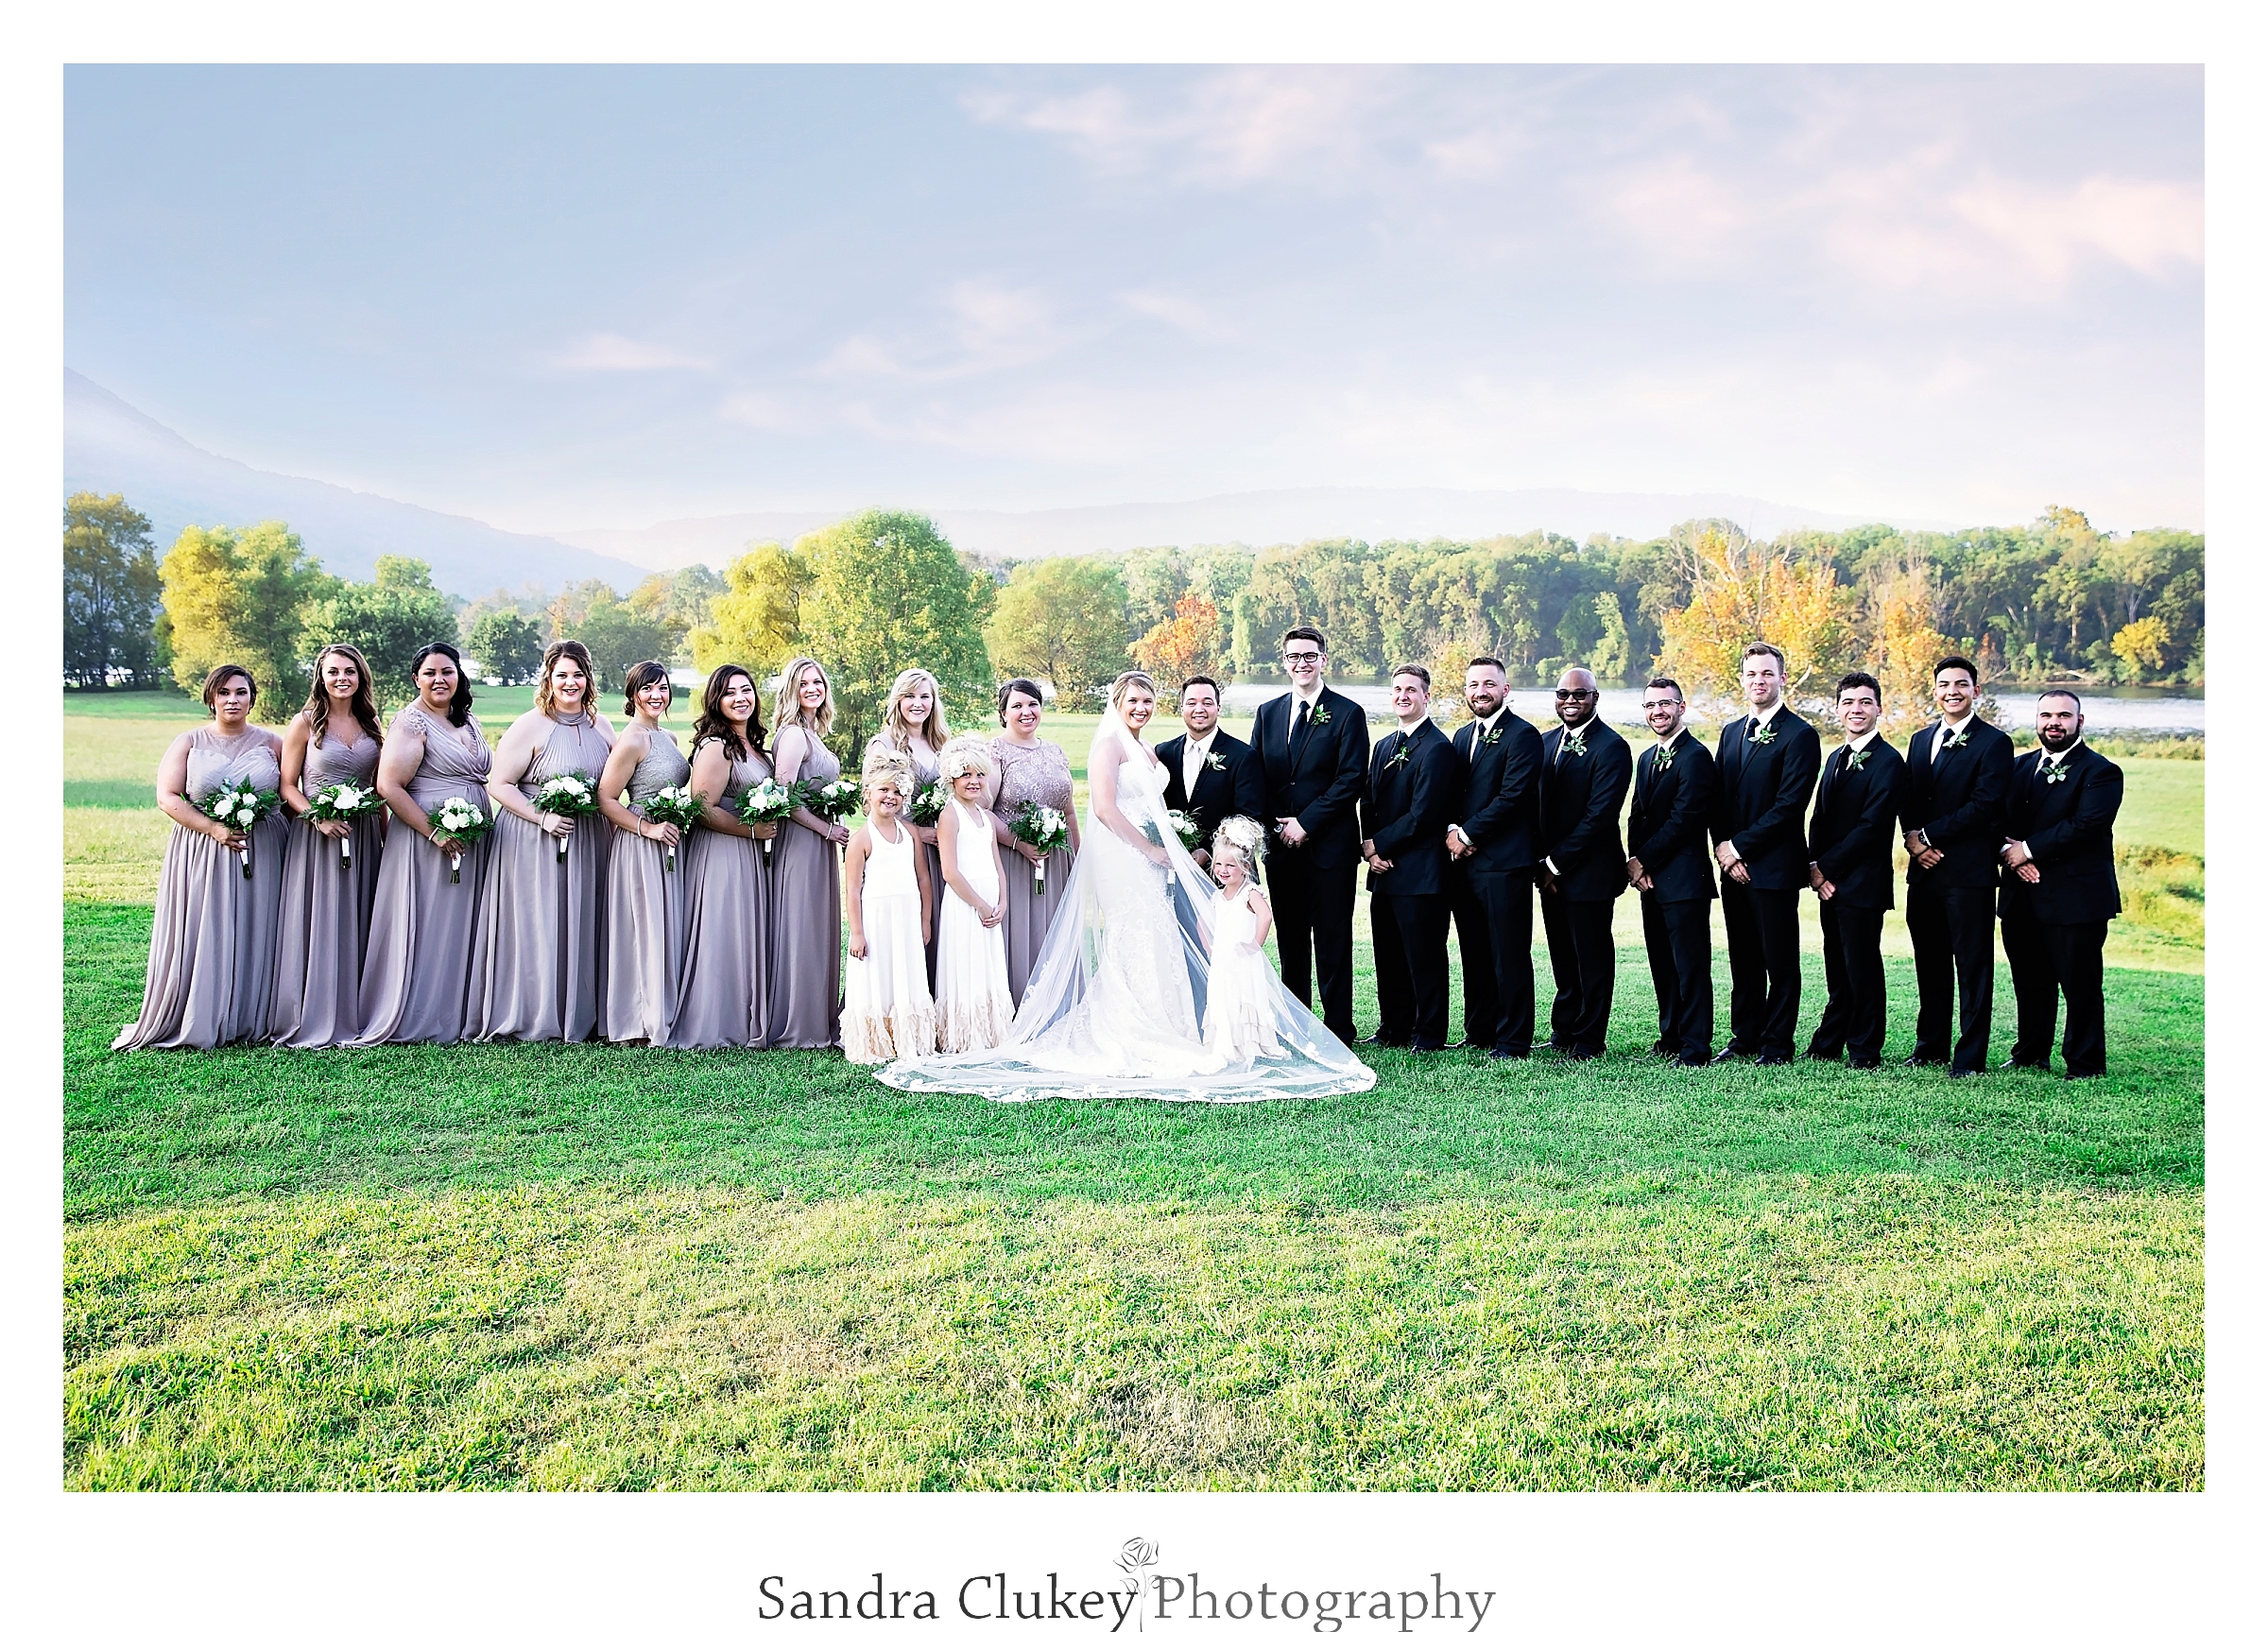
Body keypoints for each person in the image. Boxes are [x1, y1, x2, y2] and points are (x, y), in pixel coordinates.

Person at [875, 671, 1373, 1103]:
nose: (1141, 708)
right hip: (1123, 856)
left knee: (1158, 937)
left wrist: (1170, 841)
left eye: (1147, 701)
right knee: (1133, 936)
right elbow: (1106, 810)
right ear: (1117, 704)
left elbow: (1157, 805)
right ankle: (1129, 1028)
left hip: (1151, 857)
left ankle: (1169, 1026)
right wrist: (1153, 850)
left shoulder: (1148, 749)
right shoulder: (1107, 745)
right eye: (1132, 700)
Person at [113, 664, 287, 1051]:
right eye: (224, 693)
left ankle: (253, 1014)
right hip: (203, 848)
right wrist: (214, 829)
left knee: (261, 926)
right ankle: (204, 1011)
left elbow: (290, 792)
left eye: (241, 693)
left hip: (264, 849)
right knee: (207, 924)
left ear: (252, 698)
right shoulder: (188, 741)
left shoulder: (273, 743)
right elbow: (168, 797)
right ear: (211, 698)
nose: (232, 700)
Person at [465, 640, 615, 1042]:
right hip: (535, 838)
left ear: (589, 679)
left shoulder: (601, 726)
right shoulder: (530, 724)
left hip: (588, 838)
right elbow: (499, 784)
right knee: (541, 923)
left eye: (578, 674)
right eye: (562, 675)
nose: (571, 683)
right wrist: (542, 817)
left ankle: (584, 1012)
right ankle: (537, 1011)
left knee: (585, 921)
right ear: (548, 678)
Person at [350, 643, 494, 1045]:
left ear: (458, 675)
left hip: (472, 834)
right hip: (426, 838)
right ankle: (422, 1011)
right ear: (416, 679)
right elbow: (388, 786)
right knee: (430, 922)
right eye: (430, 673)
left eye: (447, 671)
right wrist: (434, 831)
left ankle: (462, 1009)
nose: (439, 680)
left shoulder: (467, 720)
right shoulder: (411, 723)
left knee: (463, 921)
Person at [1251, 627, 1370, 1045]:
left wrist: (1307, 823)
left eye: (1309, 655)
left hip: (1330, 849)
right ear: (1284, 662)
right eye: (1293, 656)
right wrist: (1277, 824)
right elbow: (1257, 776)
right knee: (1291, 941)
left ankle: (1339, 1030)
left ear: (1324, 659)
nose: (1301, 663)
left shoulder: (1348, 712)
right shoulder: (1267, 712)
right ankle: (1294, 1025)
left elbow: (1351, 778)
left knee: (1333, 939)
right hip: (1281, 848)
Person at [1998, 691, 2124, 1078]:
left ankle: (2085, 1063)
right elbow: (1994, 819)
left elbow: (2087, 826)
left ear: (2079, 722)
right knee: (2030, 980)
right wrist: (2012, 855)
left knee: (2080, 983)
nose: (2055, 722)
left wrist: (2029, 851)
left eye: (2064, 715)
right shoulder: (2017, 768)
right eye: (2047, 715)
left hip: (2076, 897)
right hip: (2022, 895)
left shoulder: (2101, 771)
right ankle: (2030, 1052)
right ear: (2037, 721)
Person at [1899, 654, 2014, 1076]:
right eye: (1945, 685)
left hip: (1968, 875)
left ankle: (1969, 1058)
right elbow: (1908, 797)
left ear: (1976, 691)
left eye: (1961, 685)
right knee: (1929, 963)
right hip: (1924, 873)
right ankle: (1930, 1046)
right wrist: (1912, 838)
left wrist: (1929, 836)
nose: (1953, 692)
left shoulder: (1994, 743)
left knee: (1972, 966)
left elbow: (1985, 805)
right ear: (1935, 691)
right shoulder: (1919, 739)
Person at [1710, 642, 1822, 1065]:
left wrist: (1739, 847)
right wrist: (1723, 848)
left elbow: (1790, 805)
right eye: (1751, 674)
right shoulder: (1731, 730)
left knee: (1780, 961)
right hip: (1731, 866)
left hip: (1773, 868)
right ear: (1743, 679)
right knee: (1743, 958)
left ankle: (1777, 1045)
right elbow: (1717, 798)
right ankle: (1744, 1037)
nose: (1759, 681)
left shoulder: (1801, 735)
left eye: (1767, 673)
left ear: (1782, 678)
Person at [270, 644, 385, 1049]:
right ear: (320, 676)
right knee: (321, 917)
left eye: (349, 672)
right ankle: (312, 1009)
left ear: (361, 677)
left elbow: (379, 787)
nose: (341, 679)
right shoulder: (304, 724)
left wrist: (384, 837)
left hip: (364, 834)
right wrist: (317, 817)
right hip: (317, 835)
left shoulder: (371, 723)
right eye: (333, 671)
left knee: (362, 917)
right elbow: (287, 785)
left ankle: (358, 1008)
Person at [667, 663, 782, 1050]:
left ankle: (746, 1011)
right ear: (716, 700)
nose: (740, 698)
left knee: (743, 930)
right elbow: (701, 806)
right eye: (730, 692)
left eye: (746, 690)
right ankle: (716, 1021)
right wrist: (751, 830)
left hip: (749, 852)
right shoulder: (716, 745)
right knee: (722, 930)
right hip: (721, 851)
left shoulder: (751, 744)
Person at [1804, 672, 1908, 1071]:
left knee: (1862, 968)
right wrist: (1815, 867)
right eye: (1848, 702)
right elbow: (1820, 819)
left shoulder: (1888, 761)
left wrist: (1827, 869)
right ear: (1837, 709)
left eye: (1865, 702)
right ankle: (1829, 1041)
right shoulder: (1836, 757)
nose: (1856, 709)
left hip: (1862, 883)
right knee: (1837, 966)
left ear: (1879, 708)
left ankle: (1865, 1049)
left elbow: (1873, 826)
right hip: (1829, 883)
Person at [1359, 663, 1461, 1054]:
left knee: (1425, 957)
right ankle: (1394, 1026)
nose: (1403, 696)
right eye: (1397, 689)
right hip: (1384, 870)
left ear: (1426, 696)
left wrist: (1379, 846)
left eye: (1411, 690)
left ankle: (1430, 1032)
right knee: (1388, 954)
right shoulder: (1384, 745)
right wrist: (1369, 845)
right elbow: (1368, 800)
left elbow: (1425, 815)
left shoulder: (1437, 748)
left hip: (1421, 872)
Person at [1446, 656, 1542, 1059]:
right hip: (1464, 865)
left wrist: (1467, 834)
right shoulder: (1461, 736)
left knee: (1509, 954)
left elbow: (1513, 797)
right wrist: (1453, 829)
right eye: (1473, 685)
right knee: (1475, 952)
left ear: (1505, 690)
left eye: (1489, 684)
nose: (1480, 691)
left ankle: (1514, 1039)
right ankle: (1480, 1030)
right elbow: (1453, 792)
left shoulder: (1523, 736)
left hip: (1505, 864)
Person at [1537, 667, 1634, 1060]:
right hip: (1548, 873)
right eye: (1563, 694)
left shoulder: (1612, 747)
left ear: (1596, 698)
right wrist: (1541, 864)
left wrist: (1555, 864)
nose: (1571, 701)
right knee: (1562, 954)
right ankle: (1564, 1031)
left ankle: (1590, 1039)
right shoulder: (1544, 743)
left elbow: (1599, 816)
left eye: (1580, 695)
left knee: (1591, 958)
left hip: (1590, 872)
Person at [597, 660, 691, 1044]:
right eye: (648, 689)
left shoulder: (666, 736)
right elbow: (605, 798)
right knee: (642, 927)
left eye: (663, 688)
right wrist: (648, 828)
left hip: (669, 838)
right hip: (640, 842)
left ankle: (665, 1008)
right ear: (633, 695)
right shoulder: (633, 738)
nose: (657, 695)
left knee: (665, 924)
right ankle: (639, 1020)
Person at [1625, 677, 1715, 1068]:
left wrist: (1643, 859)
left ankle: (1696, 1047)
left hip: (1684, 880)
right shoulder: (1646, 757)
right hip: (1652, 881)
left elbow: (1686, 820)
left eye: (1665, 703)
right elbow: (1636, 815)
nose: (1657, 711)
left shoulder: (1696, 757)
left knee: (1691, 965)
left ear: (1682, 707)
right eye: (1650, 705)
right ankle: (1671, 1036)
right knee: (1662, 962)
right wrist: (1636, 863)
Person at [768, 656, 849, 1048]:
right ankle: (798, 1024)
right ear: (791, 691)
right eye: (803, 684)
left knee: (817, 926)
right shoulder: (794, 735)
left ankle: (817, 1016)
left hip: (817, 843)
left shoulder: (813, 732)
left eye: (817, 682)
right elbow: (783, 799)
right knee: (801, 926)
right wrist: (826, 828)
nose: (812, 689)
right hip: (800, 844)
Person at [987, 678, 1080, 1006]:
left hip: (1055, 862)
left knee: (1054, 930)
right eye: (1017, 706)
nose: (1026, 712)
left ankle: (1056, 1004)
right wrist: (1019, 844)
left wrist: (1077, 862)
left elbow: (1068, 813)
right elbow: (983, 812)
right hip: (1012, 861)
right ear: (1003, 713)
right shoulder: (996, 752)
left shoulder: (1055, 751)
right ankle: (1017, 1006)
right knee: (1019, 934)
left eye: (1032, 704)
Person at [841, 757, 937, 1064]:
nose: (890, 797)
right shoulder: (861, 840)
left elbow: (923, 879)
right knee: (878, 975)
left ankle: (908, 1037)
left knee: (906, 973)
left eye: (897, 792)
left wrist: (925, 921)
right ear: (867, 792)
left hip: (907, 918)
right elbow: (853, 890)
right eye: (884, 789)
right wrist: (857, 933)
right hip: (876, 921)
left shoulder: (910, 834)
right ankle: (875, 1041)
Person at [933, 734, 1016, 1051]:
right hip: (967, 903)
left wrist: (1002, 900)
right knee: (966, 964)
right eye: (966, 774)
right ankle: (965, 1036)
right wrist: (981, 905)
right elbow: (950, 871)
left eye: (979, 775)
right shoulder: (949, 815)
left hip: (990, 904)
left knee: (988, 965)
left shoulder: (984, 816)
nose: (974, 781)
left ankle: (993, 1033)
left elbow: (996, 862)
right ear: (952, 779)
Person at [877, 668, 951, 984]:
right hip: (903, 852)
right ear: (898, 701)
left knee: (939, 923)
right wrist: (918, 833)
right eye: (910, 696)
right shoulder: (884, 745)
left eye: (925, 696)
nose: (918, 704)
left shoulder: (942, 744)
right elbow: (875, 807)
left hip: (940, 851)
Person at [1197, 816, 1283, 1065]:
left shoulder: (1250, 892)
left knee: (1245, 997)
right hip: (1222, 959)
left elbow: (1265, 916)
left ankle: (1249, 1043)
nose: (1223, 870)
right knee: (1223, 997)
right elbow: (1201, 923)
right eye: (1218, 864)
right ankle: (1226, 1041)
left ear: (1245, 867)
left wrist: (1255, 944)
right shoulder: (1217, 895)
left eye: (1230, 866)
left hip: (1243, 958)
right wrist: (1209, 948)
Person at [1158, 675, 1265, 869]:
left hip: (1226, 874)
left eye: (1207, 703)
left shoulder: (1243, 756)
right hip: (1172, 867)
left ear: (1218, 708)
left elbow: (1248, 817)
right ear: (1182, 708)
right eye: (1192, 703)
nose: (1199, 709)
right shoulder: (1163, 753)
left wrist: (1209, 851)